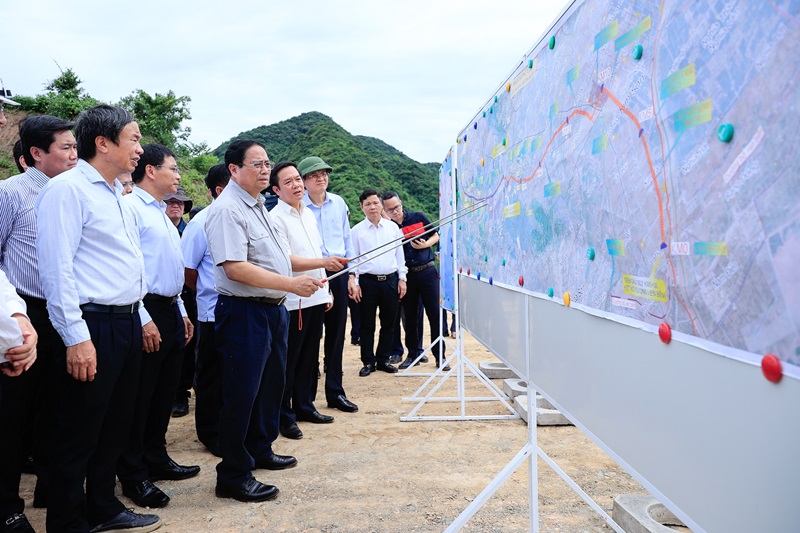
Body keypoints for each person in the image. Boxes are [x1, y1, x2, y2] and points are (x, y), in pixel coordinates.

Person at [36, 104, 161, 532]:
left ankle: (104, 507)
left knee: (114, 425)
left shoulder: (117, 193)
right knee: (79, 430)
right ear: (103, 142)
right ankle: (68, 522)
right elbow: (57, 270)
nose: (140, 149)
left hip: (125, 321)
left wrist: (141, 315)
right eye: (134, 139)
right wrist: (76, 337)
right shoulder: (68, 190)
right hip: (92, 325)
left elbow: (125, 266)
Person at [205, 140, 323, 503]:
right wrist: (290, 284)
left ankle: (260, 449)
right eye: (255, 164)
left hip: (272, 310)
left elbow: (276, 257)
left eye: (266, 163)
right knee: (242, 393)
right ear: (234, 169)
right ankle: (233, 474)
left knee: (270, 386)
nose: (263, 169)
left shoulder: (258, 206)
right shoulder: (228, 210)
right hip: (245, 312)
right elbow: (235, 268)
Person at [0, 115, 78, 530]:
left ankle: (51, 490)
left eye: (74, 146)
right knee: (13, 416)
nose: (73, 154)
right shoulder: (10, 194)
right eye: (65, 147)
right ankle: (8, 506)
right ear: (35, 153)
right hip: (22, 314)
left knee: (59, 409)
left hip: (66, 312)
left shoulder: (76, 193)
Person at [116, 144, 199, 510]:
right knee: (140, 397)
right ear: (150, 171)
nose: (178, 175)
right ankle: (133, 474)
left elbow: (170, 268)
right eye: (173, 168)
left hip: (168, 307)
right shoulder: (131, 208)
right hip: (144, 309)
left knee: (163, 393)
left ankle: (156, 457)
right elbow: (133, 270)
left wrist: (180, 309)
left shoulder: (163, 215)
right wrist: (145, 317)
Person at [269, 162, 347, 440]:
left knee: (309, 358)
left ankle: (305, 406)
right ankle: (284, 415)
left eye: (297, 180)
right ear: (276, 189)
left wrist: (326, 290)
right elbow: (286, 259)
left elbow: (315, 252)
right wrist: (324, 262)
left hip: (316, 293)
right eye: (288, 182)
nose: (297, 185)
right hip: (294, 299)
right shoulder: (276, 218)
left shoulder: (308, 215)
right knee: (290, 360)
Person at [299, 156, 358, 413]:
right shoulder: (298, 206)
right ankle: (306, 397)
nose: (321, 178)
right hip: (312, 273)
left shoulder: (339, 203)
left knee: (336, 335)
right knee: (311, 336)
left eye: (324, 173)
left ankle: (335, 392)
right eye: (314, 175)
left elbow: (347, 238)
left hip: (340, 272)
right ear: (303, 181)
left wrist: (352, 275)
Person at [182, 164, 229, 456]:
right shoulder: (202, 224)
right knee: (211, 375)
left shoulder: (240, 217)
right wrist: (207, 290)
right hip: (212, 311)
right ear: (220, 190)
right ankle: (210, 433)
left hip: (238, 310)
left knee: (233, 374)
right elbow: (187, 270)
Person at [381, 192, 449, 370]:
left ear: (401, 203)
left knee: (435, 315)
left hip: (427, 271)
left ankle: (439, 356)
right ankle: (413, 354)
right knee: (410, 318)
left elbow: (436, 234)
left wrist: (426, 245)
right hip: (407, 275)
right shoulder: (388, 228)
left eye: (396, 207)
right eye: (390, 209)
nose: (395, 212)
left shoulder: (418, 217)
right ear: (384, 211)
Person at [348, 189, 407, 377]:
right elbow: (353, 260)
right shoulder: (356, 231)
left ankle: (383, 359)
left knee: (389, 323)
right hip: (367, 282)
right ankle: (368, 361)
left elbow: (400, 256)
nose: (372, 207)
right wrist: (354, 282)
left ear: (381, 205)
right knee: (366, 325)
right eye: (367, 204)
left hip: (390, 281)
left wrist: (402, 279)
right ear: (362, 207)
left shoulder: (393, 229)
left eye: (375, 203)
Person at [165, 185, 196, 418]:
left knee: (192, 345)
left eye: (180, 202)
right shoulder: (159, 229)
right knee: (174, 347)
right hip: (168, 297)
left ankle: (184, 390)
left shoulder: (191, 230)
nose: (176, 205)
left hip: (192, 296)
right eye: (170, 201)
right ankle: (175, 393)